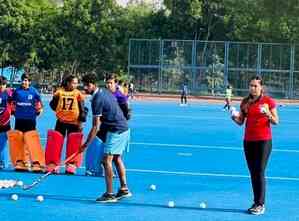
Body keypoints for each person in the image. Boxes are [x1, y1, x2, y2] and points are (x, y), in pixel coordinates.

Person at [231, 76, 279, 215]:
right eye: (251, 85)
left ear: (261, 87)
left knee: (259, 171)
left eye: (255, 86)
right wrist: (233, 116)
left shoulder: (268, 101)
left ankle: (260, 204)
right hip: (248, 141)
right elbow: (241, 121)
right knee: (253, 173)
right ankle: (256, 202)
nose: (253, 88)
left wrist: (268, 113)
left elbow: (276, 121)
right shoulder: (245, 102)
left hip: (264, 141)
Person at [80, 73, 131, 203]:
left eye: (85, 86)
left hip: (116, 130)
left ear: (91, 85)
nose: (84, 88)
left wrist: (86, 145)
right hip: (123, 128)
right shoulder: (104, 92)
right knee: (116, 158)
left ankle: (109, 194)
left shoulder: (97, 99)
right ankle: (124, 189)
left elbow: (96, 126)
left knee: (105, 160)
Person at [46, 75, 86, 174]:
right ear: (68, 83)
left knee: (73, 143)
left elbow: (82, 109)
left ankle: (71, 164)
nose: (76, 85)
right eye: (74, 83)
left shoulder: (78, 94)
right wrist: (61, 111)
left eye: (77, 83)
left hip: (74, 123)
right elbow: (53, 104)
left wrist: (81, 121)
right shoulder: (59, 92)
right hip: (61, 121)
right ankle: (53, 164)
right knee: (56, 142)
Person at [9, 73, 44, 172]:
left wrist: (39, 111)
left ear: (29, 82)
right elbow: (11, 102)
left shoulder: (34, 92)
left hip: (30, 120)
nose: (25, 82)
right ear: (21, 81)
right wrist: (13, 111)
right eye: (23, 80)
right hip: (19, 120)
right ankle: (21, 162)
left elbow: (40, 104)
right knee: (19, 141)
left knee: (31, 141)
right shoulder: (17, 91)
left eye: (27, 80)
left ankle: (36, 163)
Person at [0, 76, 13, 169]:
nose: (1, 86)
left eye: (3, 84)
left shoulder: (9, 94)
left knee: (3, 143)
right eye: (0, 84)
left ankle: (3, 162)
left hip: (5, 123)